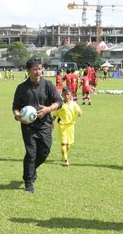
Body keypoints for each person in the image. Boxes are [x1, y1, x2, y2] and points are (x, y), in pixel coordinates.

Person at [12, 59, 62, 193]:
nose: (37, 72)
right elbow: (15, 107)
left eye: (39, 68)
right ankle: (28, 181)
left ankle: (31, 170)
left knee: (44, 152)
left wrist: (48, 109)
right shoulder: (22, 88)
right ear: (28, 71)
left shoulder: (48, 85)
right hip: (28, 127)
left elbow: (59, 101)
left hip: (45, 125)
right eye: (34, 69)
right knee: (31, 153)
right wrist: (18, 117)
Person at [52, 87, 82, 166]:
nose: (66, 96)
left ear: (71, 95)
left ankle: (64, 155)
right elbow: (55, 115)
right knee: (63, 143)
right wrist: (51, 122)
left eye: (68, 94)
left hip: (71, 126)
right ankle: (65, 160)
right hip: (62, 126)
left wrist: (79, 113)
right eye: (64, 94)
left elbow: (79, 111)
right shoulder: (60, 104)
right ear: (62, 94)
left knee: (68, 144)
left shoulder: (74, 104)